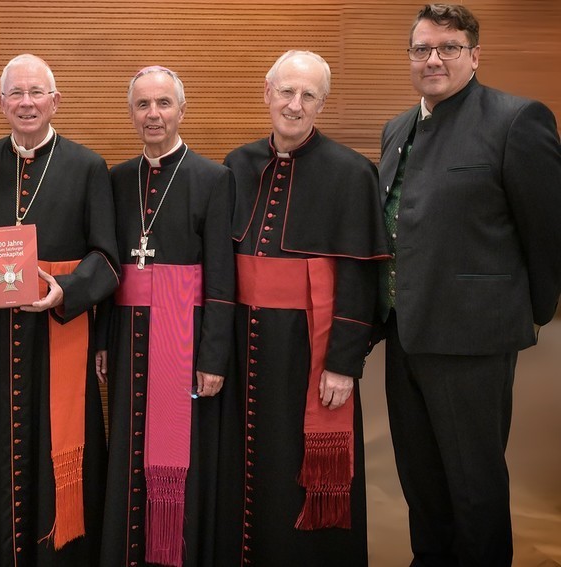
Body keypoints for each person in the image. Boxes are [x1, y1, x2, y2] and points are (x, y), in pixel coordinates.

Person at [378, 4, 561, 565]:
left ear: (474, 56)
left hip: (472, 339)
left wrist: (530, 311)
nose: (433, 59)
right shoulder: (397, 127)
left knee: (473, 491)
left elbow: (548, 228)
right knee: (421, 487)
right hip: (405, 336)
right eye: (421, 49)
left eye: (448, 48)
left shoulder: (516, 119)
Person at [221, 50, 388, 566]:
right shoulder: (236, 163)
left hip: (306, 349)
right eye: (286, 92)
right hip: (244, 344)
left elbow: (362, 276)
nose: (294, 105)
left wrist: (342, 363)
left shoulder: (352, 172)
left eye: (308, 95)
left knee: (296, 464)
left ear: (322, 103)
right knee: (248, 462)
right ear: (266, 93)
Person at [0, 53, 120, 566]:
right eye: (16, 94)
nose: (26, 103)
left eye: (36, 93)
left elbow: (107, 258)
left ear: (55, 101)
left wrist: (65, 292)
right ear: (1, 103)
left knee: (57, 443)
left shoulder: (88, 165)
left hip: (58, 330)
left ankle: (60, 552)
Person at [96, 66, 234, 567]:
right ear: (131, 113)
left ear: (181, 110)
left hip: (184, 337)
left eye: (163, 104)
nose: (153, 114)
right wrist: (102, 343)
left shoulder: (214, 178)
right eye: (142, 105)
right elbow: (107, 270)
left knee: (178, 455)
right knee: (127, 447)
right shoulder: (114, 178)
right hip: (128, 334)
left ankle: (172, 552)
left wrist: (214, 356)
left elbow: (222, 277)